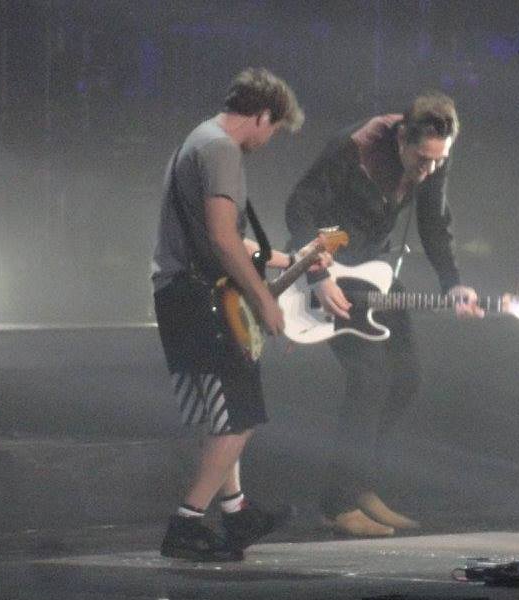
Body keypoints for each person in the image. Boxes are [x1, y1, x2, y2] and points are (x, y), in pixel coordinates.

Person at [284, 92, 484, 537]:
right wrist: (318, 274)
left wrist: (452, 283)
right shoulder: (353, 147)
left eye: (438, 161)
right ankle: (336, 505)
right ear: (400, 138)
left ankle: (359, 487)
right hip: (329, 272)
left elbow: (434, 221)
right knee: (369, 379)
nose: (428, 169)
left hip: (373, 271)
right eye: (422, 159)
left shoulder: (435, 154)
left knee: (407, 378)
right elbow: (299, 209)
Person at [151, 67, 327, 560]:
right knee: (240, 416)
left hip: (182, 294)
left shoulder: (198, 141)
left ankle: (235, 511)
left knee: (224, 413)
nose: (268, 141)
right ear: (263, 115)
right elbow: (223, 239)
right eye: (274, 130)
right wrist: (265, 300)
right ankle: (186, 524)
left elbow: (224, 235)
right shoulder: (222, 149)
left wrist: (290, 259)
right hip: (199, 296)